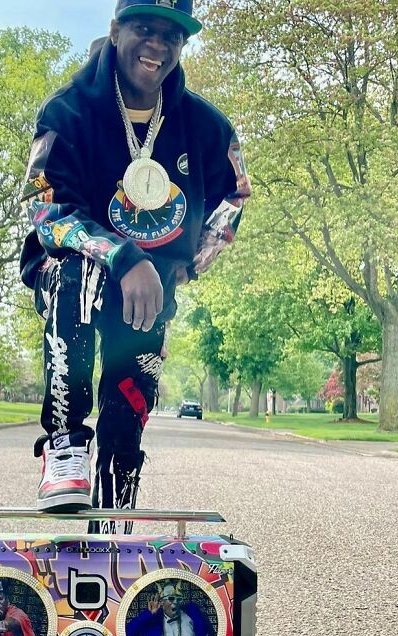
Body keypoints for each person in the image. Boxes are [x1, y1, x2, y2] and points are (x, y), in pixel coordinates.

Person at [20, 0, 251, 530]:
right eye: (145, 29)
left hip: (147, 293)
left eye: (171, 36)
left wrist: (189, 264)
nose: (157, 46)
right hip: (73, 278)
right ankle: (66, 441)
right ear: (117, 29)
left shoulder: (207, 126)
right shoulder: (68, 111)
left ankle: (118, 491)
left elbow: (233, 197)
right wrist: (124, 257)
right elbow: (46, 211)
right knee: (77, 276)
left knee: (128, 403)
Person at [125, 582, 214, 636]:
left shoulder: (192, 611)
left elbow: (211, 631)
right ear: (162, 602)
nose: (175, 602)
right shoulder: (151, 620)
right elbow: (127, 633)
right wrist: (149, 614)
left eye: (178, 599)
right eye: (171, 599)